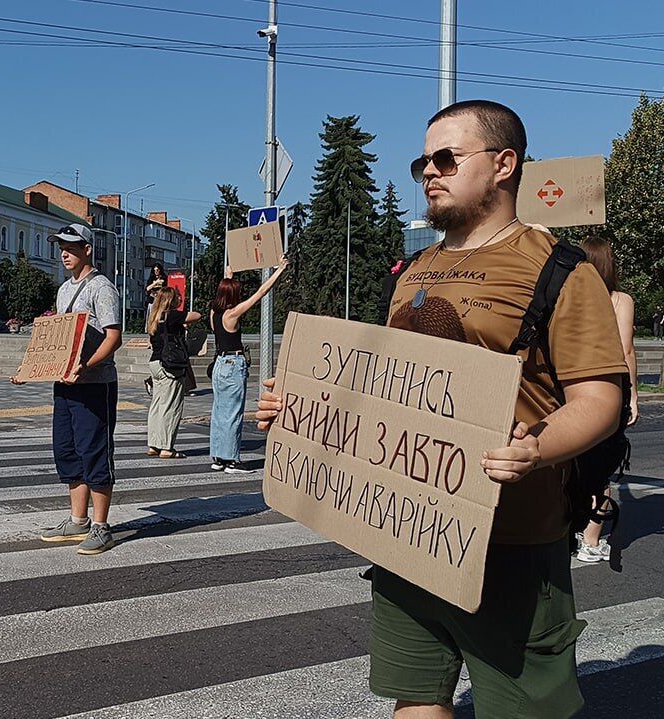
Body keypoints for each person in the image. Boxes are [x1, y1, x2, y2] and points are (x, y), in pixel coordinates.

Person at [258, 100, 627, 719]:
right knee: (416, 698)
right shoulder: (412, 270)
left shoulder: (559, 268)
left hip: (511, 540)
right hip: (408, 532)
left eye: (447, 158)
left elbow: (600, 400)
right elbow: (385, 389)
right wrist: (298, 406)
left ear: (504, 164)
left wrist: (534, 448)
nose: (430, 171)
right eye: (423, 161)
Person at [12, 223, 123, 555]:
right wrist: (29, 368)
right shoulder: (64, 290)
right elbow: (59, 338)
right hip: (65, 384)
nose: (64, 252)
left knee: (95, 452)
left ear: (87, 249)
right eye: (61, 246)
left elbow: (113, 337)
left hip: (94, 384)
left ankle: (102, 527)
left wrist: (84, 366)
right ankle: (78, 520)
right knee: (68, 450)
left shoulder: (102, 288)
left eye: (71, 247)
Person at [576, 237, 639, 562]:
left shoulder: (571, 298)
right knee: (602, 469)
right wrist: (634, 396)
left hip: (572, 387)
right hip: (610, 388)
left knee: (577, 462)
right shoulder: (619, 301)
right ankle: (591, 539)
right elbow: (626, 348)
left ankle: (572, 528)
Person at [209, 258, 288, 473]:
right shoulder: (232, 314)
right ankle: (232, 460)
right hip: (233, 364)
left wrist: (228, 277)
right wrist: (279, 270)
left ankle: (218, 457)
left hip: (218, 364)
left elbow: (223, 291)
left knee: (219, 412)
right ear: (234, 296)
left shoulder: (214, 314)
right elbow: (260, 293)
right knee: (233, 413)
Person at [145, 286, 201, 458]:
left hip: (155, 363)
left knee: (157, 405)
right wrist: (182, 319)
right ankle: (167, 447)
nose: (179, 300)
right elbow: (197, 315)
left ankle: (154, 444)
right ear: (170, 300)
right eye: (177, 298)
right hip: (170, 365)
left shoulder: (154, 317)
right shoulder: (173, 315)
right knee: (171, 406)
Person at [145, 263, 167, 331]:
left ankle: (159, 328)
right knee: (152, 315)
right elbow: (147, 288)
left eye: (157, 270)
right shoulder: (151, 279)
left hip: (161, 300)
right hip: (152, 300)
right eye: (154, 270)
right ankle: (151, 328)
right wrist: (155, 283)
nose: (156, 272)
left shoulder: (164, 278)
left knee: (160, 315)